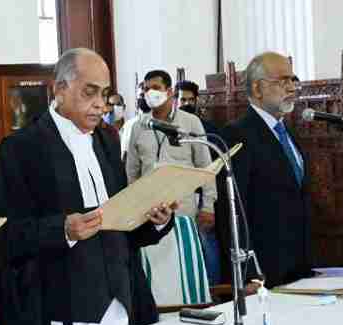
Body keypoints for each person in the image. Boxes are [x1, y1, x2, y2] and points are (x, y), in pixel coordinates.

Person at [0, 48, 176, 325]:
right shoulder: (22, 149)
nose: (100, 104)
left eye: (105, 94)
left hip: (121, 298)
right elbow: (5, 236)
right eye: (89, 92)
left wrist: (155, 221)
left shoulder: (107, 140)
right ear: (59, 89)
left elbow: (120, 224)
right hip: (63, 307)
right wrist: (63, 229)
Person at [218, 52, 310, 287]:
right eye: (283, 81)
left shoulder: (285, 132)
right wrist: (247, 272)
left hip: (299, 265)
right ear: (258, 88)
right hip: (264, 272)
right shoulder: (237, 134)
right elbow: (232, 211)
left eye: (293, 80)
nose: (291, 88)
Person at [126, 70, 216, 257]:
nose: (150, 93)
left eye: (156, 88)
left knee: (185, 265)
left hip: (183, 211)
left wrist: (208, 207)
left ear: (169, 91)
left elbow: (205, 167)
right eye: (147, 89)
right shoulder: (138, 126)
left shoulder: (190, 123)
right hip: (148, 213)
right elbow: (132, 172)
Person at [175, 79, 223, 284]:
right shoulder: (170, 127)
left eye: (190, 99)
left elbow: (212, 166)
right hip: (179, 200)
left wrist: (208, 204)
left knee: (207, 245)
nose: (186, 103)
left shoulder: (209, 128)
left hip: (203, 199)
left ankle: (214, 291)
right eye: (182, 99)